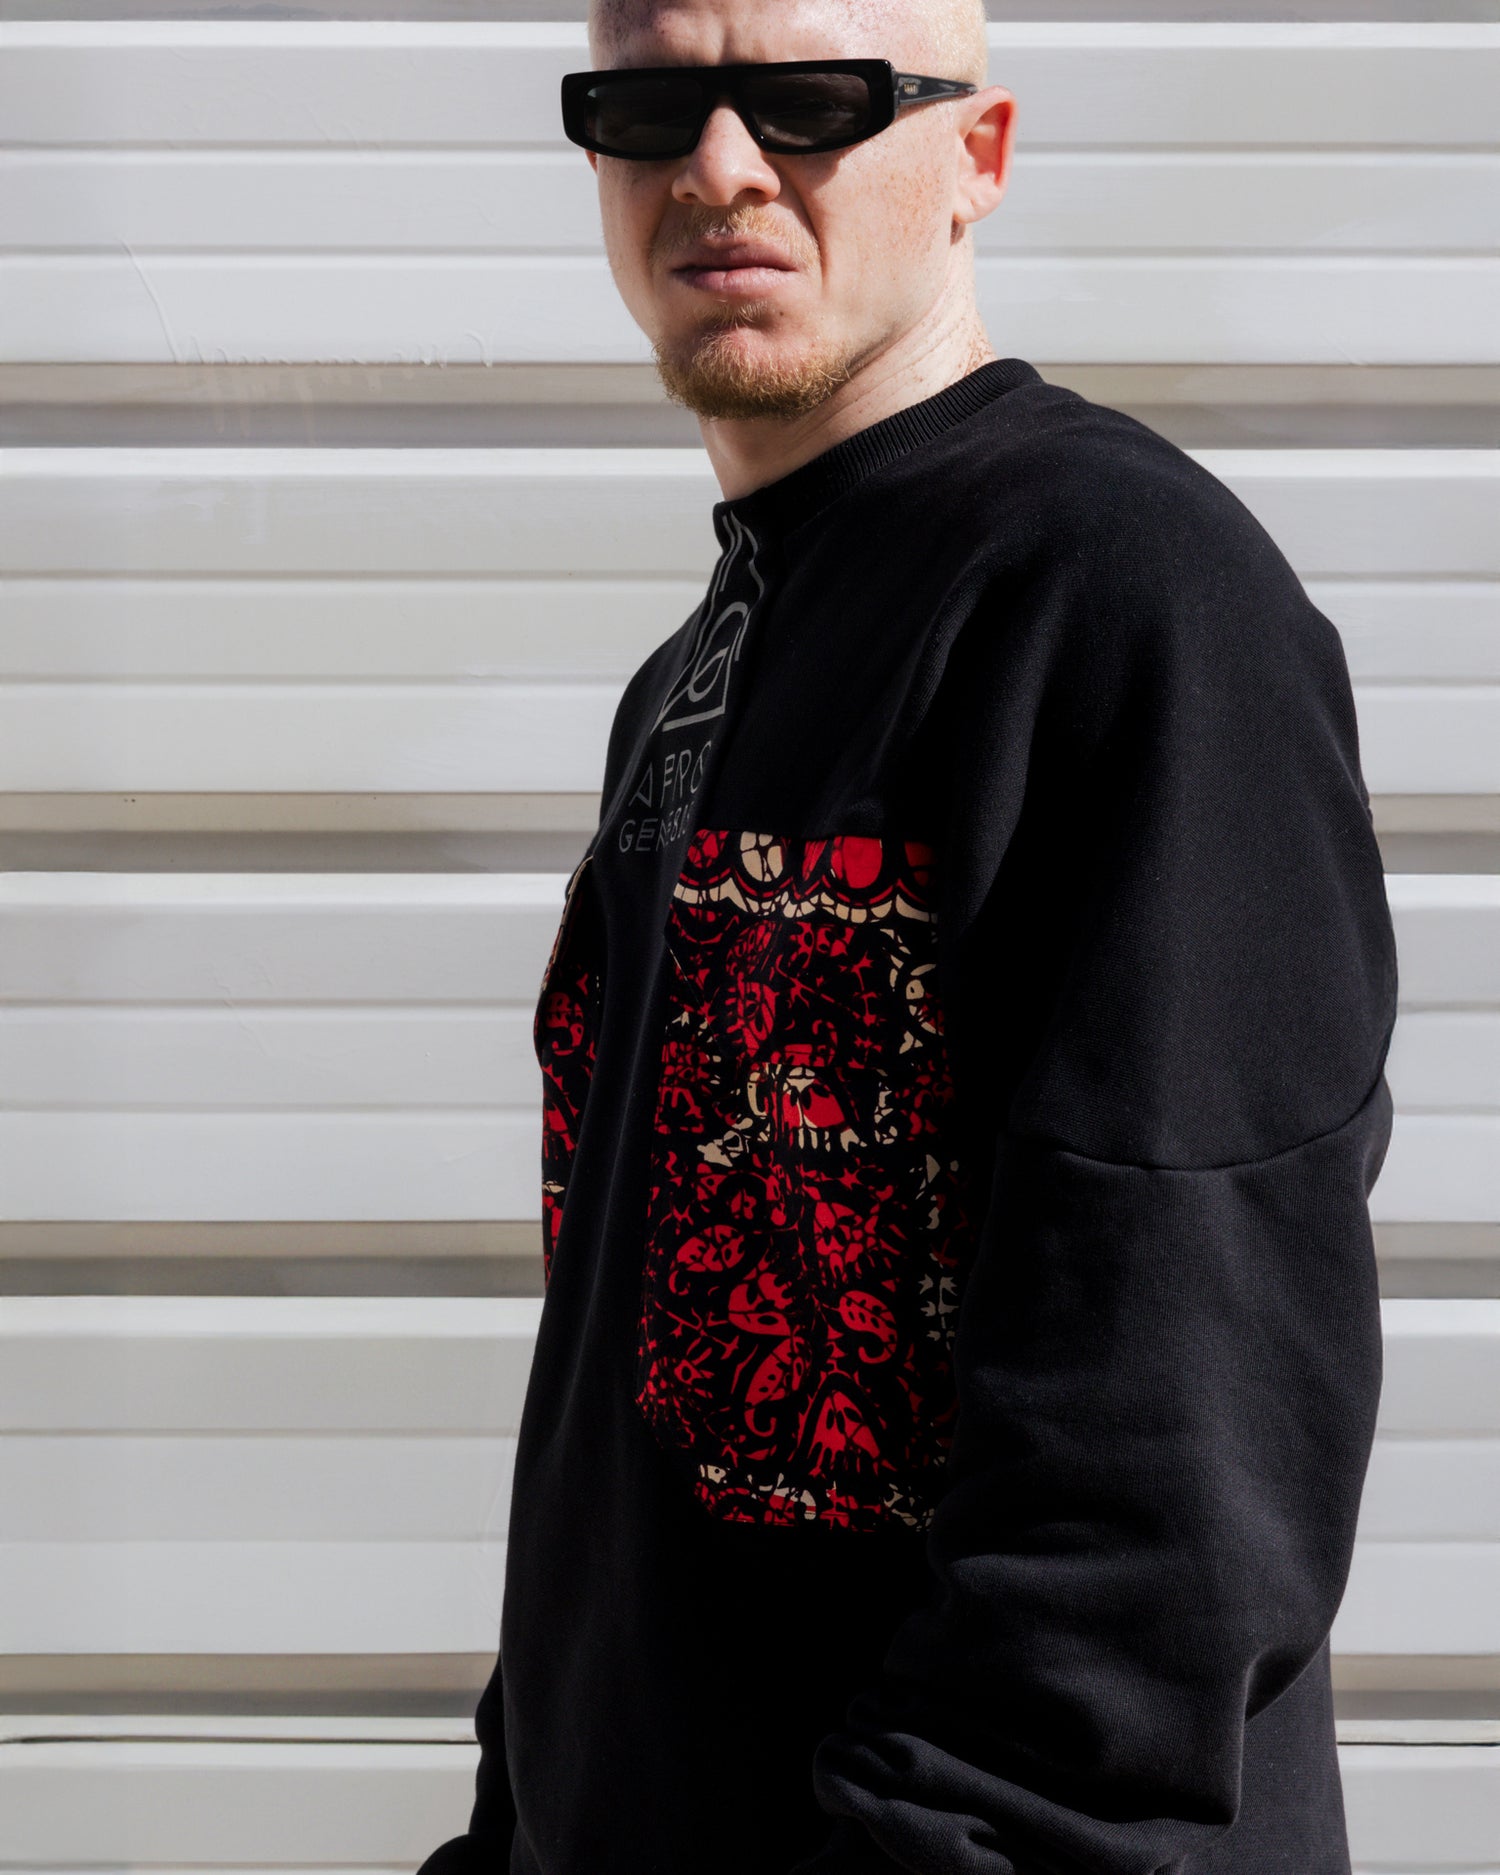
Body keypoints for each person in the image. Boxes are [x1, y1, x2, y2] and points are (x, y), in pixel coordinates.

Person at [417, 0, 1398, 1869]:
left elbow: (1175, 1452)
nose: (719, 167)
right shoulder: (695, 674)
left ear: (977, 157)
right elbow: (624, 1397)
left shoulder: (1125, 601)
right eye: (648, 107)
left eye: (811, 100)